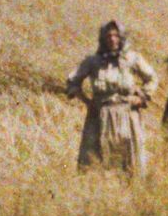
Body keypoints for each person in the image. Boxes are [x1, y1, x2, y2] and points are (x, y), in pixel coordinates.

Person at [66, 20, 154, 174]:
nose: (112, 39)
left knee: (128, 161)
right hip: (100, 117)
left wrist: (141, 97)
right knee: (96, 161)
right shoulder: (93, 61)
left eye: (116, 35)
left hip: (127, 116)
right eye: (108, 36)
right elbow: (73, 80)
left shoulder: (133, 59)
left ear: (122, 37)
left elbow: (152, 78)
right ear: (103, 38)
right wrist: (86, 101)